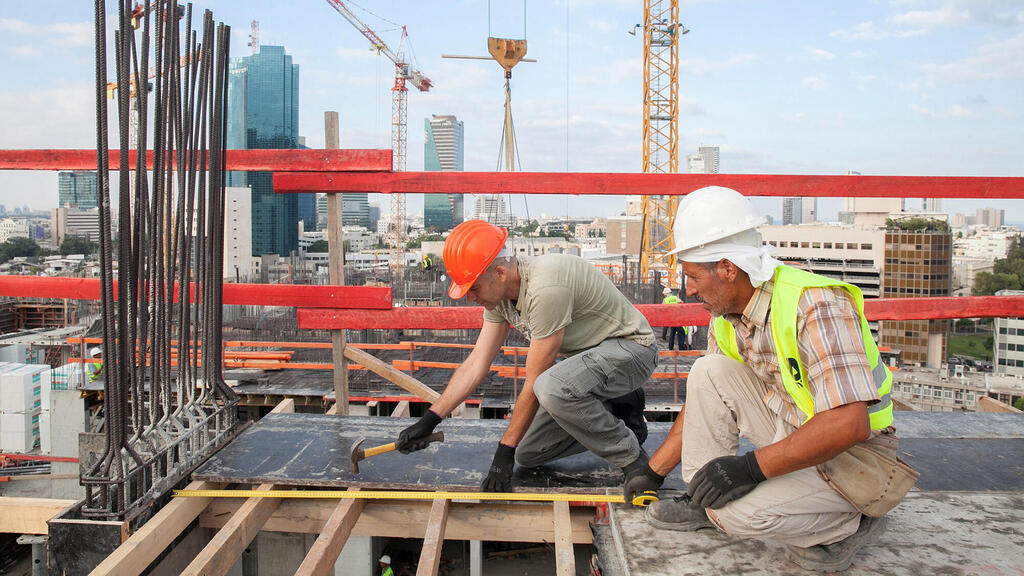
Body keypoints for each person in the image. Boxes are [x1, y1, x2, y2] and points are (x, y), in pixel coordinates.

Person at [633, 187, 915, 572]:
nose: (690, 289)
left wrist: (749, 469)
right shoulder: (727, 314)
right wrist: (653, 472)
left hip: (858, 457)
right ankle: (704, 498)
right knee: (707, 370)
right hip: (798, 431)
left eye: (693, 276)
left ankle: (851, 522)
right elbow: (707, 398)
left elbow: (850, 423)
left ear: (729, 268)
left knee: (736, 518)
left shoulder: (814, 306)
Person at [395, 219, 658, 499]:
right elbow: (476, 363)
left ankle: (632, 458)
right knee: (529, 452)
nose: (470, 298)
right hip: (587, 365)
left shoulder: (545, 289)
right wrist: (431, 419)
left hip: (631, 351)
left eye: (473, 289)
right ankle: (617, 408)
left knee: (550, 388)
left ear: (498, 273)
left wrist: (501, 454)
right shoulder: (500, 299)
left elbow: (534, 383)